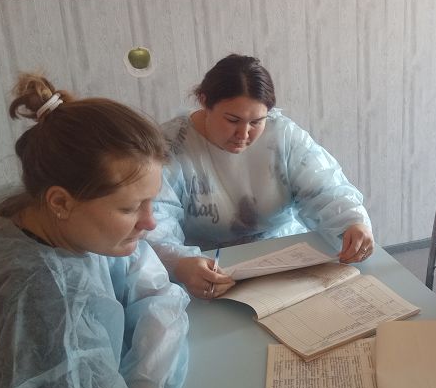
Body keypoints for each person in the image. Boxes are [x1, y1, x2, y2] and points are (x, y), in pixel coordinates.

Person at [0, 74, 365, 388]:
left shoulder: (50, 216)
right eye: (130, 208)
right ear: (60, 201)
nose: (150, 222)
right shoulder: (38, 306)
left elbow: (151, 286)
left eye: (151, 201)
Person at [148, 54, 374, 299]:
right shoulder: (170, 146)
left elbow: (326, 188)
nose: (243, 134)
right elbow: (153, 221)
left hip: (284, 257)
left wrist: (353, 222)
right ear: (204, 102)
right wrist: (180, 263)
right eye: (232, 120)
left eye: (256, 122)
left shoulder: (282, 135)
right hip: (209, 267)